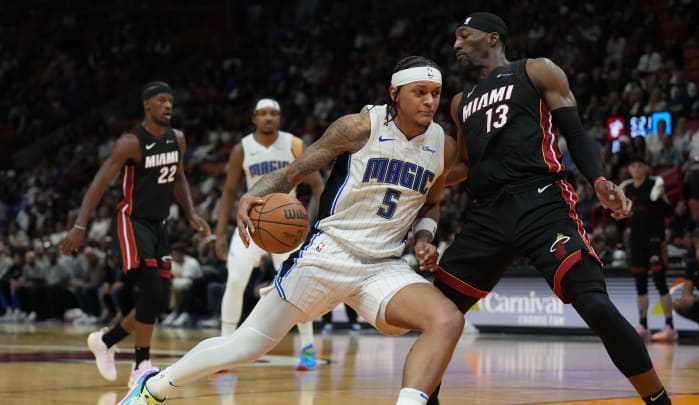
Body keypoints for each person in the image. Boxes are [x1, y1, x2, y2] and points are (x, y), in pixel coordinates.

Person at [119, 55, 465, 405]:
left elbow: (431, 203)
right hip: (329, 253)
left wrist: (424, 237)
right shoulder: (358, 128)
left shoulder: (443, 145)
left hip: (383, 265)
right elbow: (294, 171)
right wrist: (253, 195)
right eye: (419, 91)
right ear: (395, 92)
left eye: (435, 93)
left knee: (447, 320)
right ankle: (153, 388)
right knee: (245, 346)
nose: (429, 101)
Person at [433, 12, 672, 405]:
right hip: (486, 213)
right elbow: (465, 165)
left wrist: (598, 180)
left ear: (492, 38)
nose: (456, 45)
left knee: (595, 304)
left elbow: (574, 132)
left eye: (464, 36)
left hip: (540, 199)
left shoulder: (536, 70)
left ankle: (659, 400)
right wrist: (422, 176)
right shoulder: (462, 103)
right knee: (436, 314)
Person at [59, 81, 210, 387]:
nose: (168, 105)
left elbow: (179, 177)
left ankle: (107, 340)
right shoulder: (131, 142)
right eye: (161, 100)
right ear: (147, 106)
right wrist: (79, 226)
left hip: (159, 224)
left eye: (171, 101)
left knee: (158, 297)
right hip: (131, 223)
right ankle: (141, 363)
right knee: (152, 290)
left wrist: (191, 212)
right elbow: (99, 183)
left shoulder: (177, 139)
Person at [213, 97, 324, 371]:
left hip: (286, 226)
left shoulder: (294, 144)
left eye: (273, 113)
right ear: (254, 118)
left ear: (280, 116)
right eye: (262, 114)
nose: (268, 118)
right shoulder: (242, 148)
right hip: (252, 222)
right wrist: (219, 234)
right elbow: (228, 192)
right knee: (236, 280)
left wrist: (310, 224)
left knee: (297, 287)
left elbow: (318, 184)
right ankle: (225, 348)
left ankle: (308, 348)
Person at [619, 155, 677, 342]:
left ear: (645, 168)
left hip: (655, 241)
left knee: (660, 282)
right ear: (629, 169)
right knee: (640, 286)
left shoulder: (655, 184)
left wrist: (662, 199)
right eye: (632, 165)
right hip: (636, 242)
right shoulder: (626, 188)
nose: (635, 168)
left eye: (639, 164)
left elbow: (669, 211)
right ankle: (643, 325)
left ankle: (670, 326)